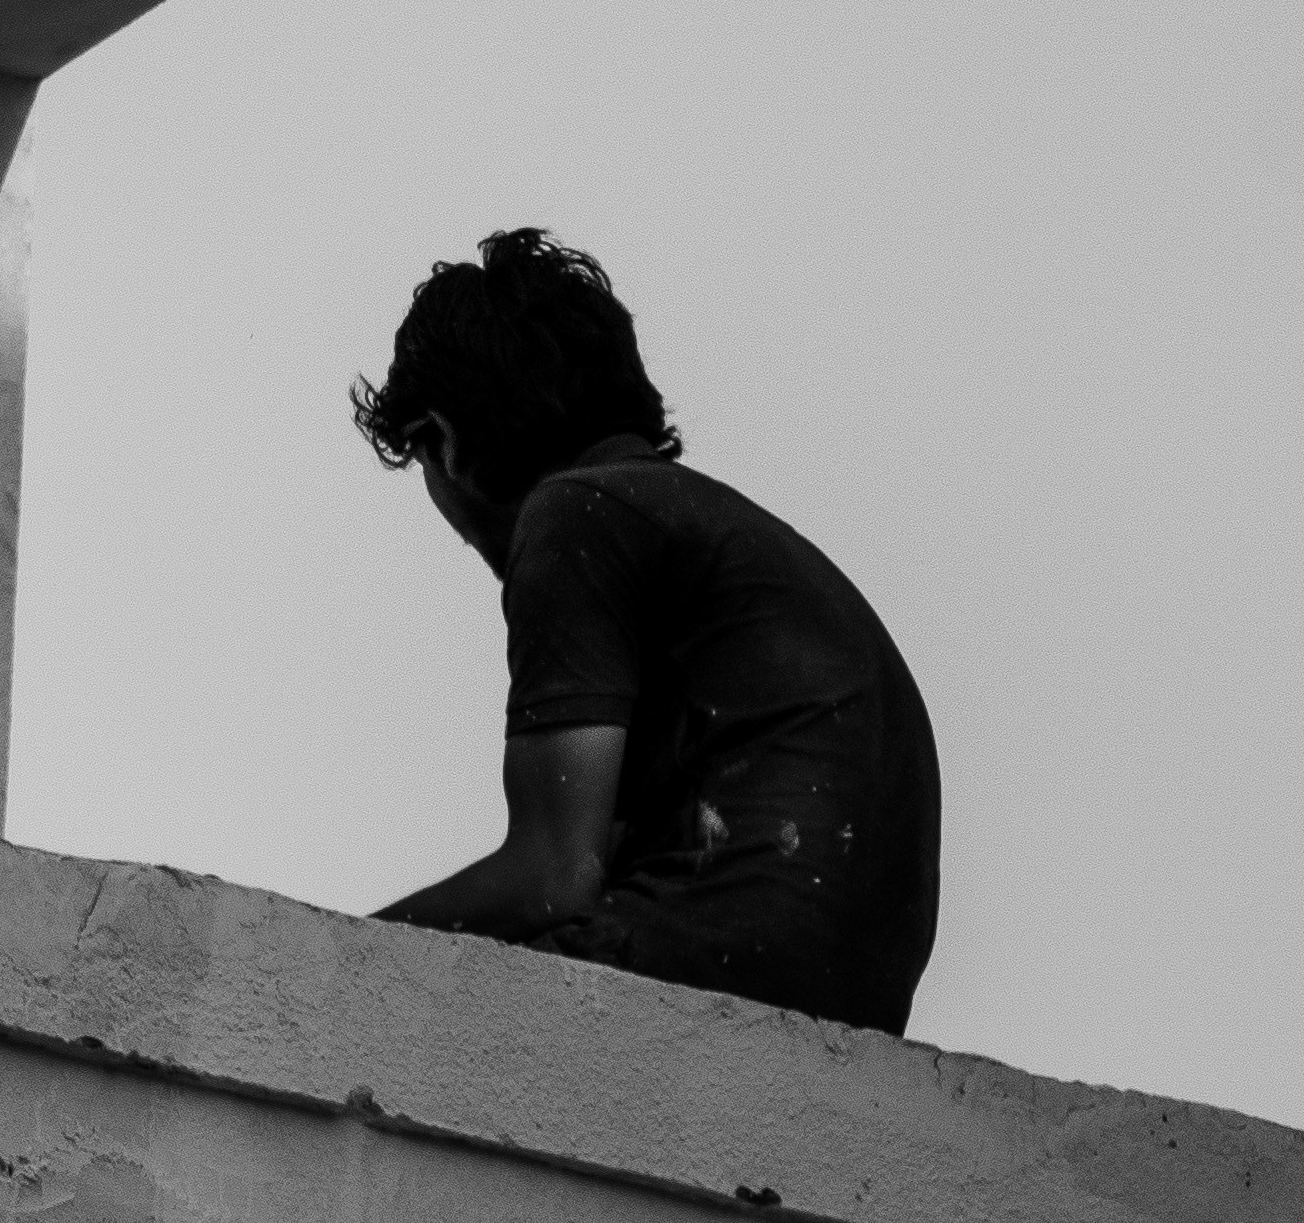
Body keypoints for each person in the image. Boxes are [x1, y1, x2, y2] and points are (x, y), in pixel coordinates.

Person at [352, 228, 940, 1034]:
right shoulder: (701, 529)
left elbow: (553, 876)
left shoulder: (574, 515)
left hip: (697, 967)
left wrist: (341, 954)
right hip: (849, 1012)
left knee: (375, 1023)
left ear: (446, 444)